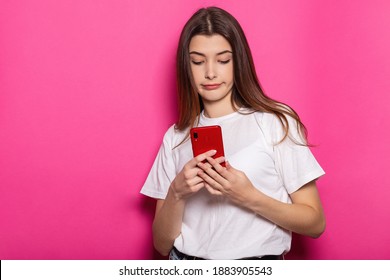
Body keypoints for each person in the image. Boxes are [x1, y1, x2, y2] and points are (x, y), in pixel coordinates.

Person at [141, 6, 325, 260]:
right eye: (197, 61)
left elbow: (315, 223)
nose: (210, 73)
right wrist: (177, 192)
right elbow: (161, 244)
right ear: (186, 66)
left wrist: (247, 196)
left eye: (223, 60)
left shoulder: (275, 122)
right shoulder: (176, 136)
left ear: (238, 61)